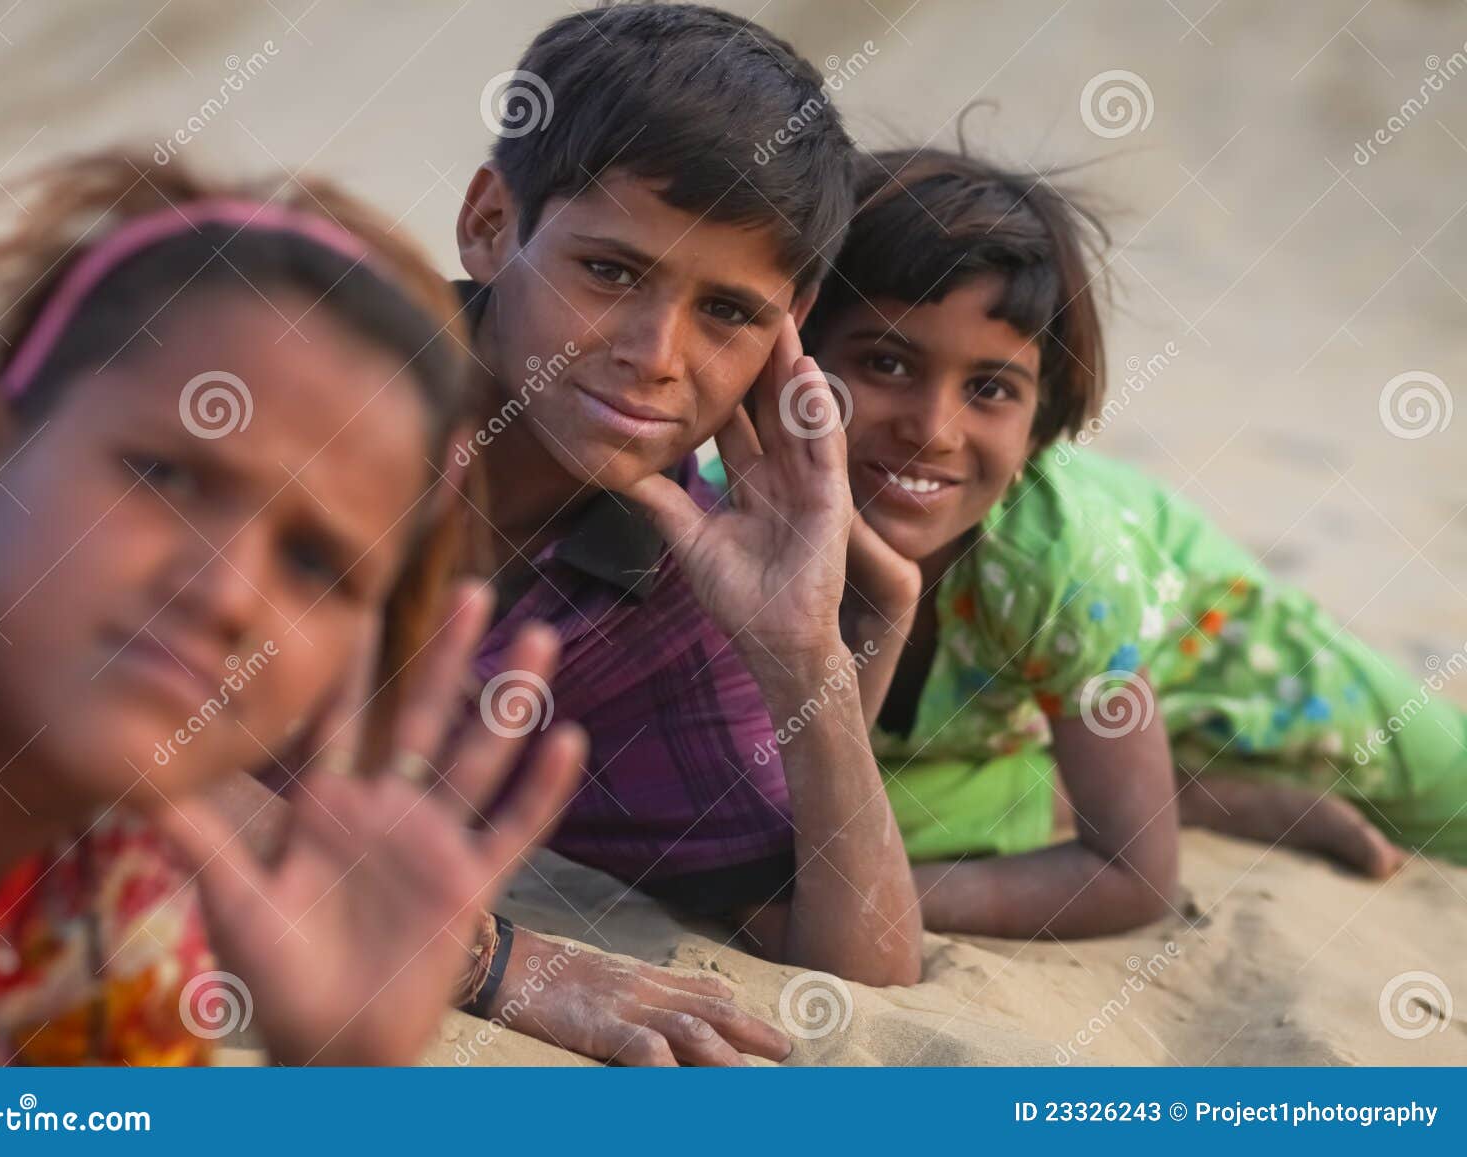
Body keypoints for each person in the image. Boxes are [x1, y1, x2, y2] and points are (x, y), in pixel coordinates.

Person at [0, 152, 588, 1064]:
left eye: (317, 562)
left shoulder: (114, 931)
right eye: (164, 474)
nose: (226, 593)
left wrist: (339, 1069)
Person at [777, 144, 1467, 940]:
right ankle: (1171, 789)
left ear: (1042, 424)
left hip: (1213, 650)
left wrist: (862, 898)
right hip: (1020, 723)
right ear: (793, 356)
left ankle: (1181, 784)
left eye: (990, 388)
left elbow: (1134, 876)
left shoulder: (1058, 561)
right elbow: (796, 809)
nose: (933, 429)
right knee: (793, 810)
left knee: (1450, 797)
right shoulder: (736, 521)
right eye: (888, 362)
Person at [445, 1, 925, 1061]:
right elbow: (64, 735)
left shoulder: (670, 574)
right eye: (609, 272)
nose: (655, 353)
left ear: (786, 329)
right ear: (490, 226)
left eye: (729, 312)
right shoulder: (306, 387)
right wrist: (487, 957)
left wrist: (803, 654)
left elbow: (864, 959)